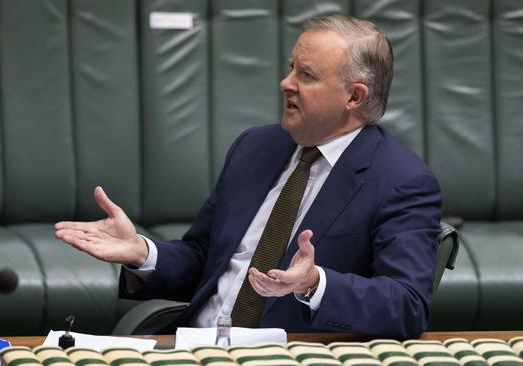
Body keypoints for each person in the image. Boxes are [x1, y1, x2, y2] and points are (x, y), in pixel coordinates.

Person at [55, 15, 441, 338]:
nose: (286, 82)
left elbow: (407, 305)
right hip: (194, 346)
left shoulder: (401, 181)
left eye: (306, 75)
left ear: (354, 97)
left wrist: (314, 283)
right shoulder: (257, 147)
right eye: (291, 67)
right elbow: (205, 258)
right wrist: (144, 253)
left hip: (284, 355)